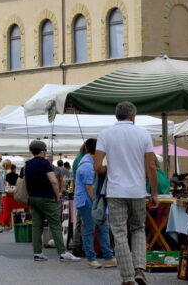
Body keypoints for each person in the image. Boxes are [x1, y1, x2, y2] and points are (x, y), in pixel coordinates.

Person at [94, 102, 158, 285]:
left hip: (115, 191)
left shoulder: (105, 134)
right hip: (137, 191)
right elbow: (151, 166)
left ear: (116, 115)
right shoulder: (144, 134)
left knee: (119, 232)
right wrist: (154, 193)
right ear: (133, 116)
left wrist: (108, 170)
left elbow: (97, 166)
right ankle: (139, 269)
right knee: (138, 228)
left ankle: (128, 277)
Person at [22, 140, 80, 262]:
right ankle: (62, 253)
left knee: (36, 225)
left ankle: (37, 253)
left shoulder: (27, 164)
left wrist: (29, 197)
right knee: (55, 224)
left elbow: (26, 182)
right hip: (46, 198)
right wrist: (57, 194)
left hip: (33, 197)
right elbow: (53, 180)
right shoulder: (45, 163)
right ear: (42, 151)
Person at [74, 140, 106, 269]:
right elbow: (89, 187)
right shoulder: (88, 166)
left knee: (100, 227)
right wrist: (96, 202)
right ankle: (91, 257)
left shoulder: (85, 161)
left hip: (88, 201)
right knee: (90, 229)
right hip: (88, 202)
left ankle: (108, 256)